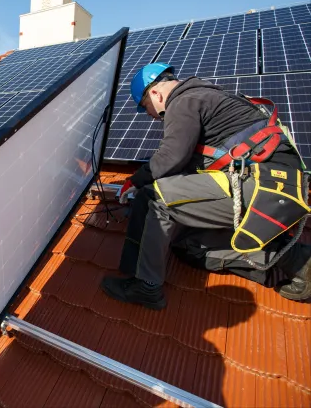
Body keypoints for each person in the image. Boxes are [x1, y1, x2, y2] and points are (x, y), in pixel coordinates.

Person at [101, 62, 311, 310]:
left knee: (155, 199)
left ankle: (145, 286)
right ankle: (296, 262)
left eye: (146, 107)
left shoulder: (183, 101)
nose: (151, 116)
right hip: (279, 188)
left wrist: (135, 181)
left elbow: (171, 157)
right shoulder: (212, 95)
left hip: (258, 185)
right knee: (188, 247)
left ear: (155, 93)